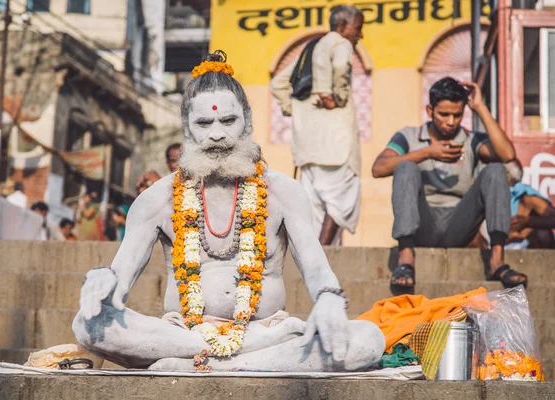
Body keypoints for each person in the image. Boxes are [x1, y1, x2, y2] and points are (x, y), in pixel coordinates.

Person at [73, 50, 384, 372]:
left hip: (266, 330)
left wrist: (328, 297)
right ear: (187, 127)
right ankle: (229, 357)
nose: (217, 134)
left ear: (247, 121)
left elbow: (317, 268)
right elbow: (119, 279)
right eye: (204, 123)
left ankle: (206, 364)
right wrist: (101, 279)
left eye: (228, 120)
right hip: (179, 334)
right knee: (88, 325)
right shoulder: (158, 198)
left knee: (367, 339)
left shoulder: (284, 192)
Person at [371, 77, 525, 291]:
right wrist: (427, 152)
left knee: (496, 169)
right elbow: (378, 168)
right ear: (429, 110)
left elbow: (507, 154)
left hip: (459, 224)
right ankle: (406, 259)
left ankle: (497, 260)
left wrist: (479, 107)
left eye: (457, 115)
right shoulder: (409, 136)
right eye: (444, 114)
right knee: (405, 167)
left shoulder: (471, 139)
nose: (451, 122)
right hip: (422, 224)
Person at [270, 6, 364, 246]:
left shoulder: (310, 49)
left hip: (307, 147)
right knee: (340, 201)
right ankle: (322, 255)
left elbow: (278, 83)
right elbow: (342, 68)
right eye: (358, 28)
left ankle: (315, 262)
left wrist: (296, 109)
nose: (360, 35)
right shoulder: (340, 44)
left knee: (315, 208)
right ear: (343, 27)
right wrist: (339, 96)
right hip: (336, 145)